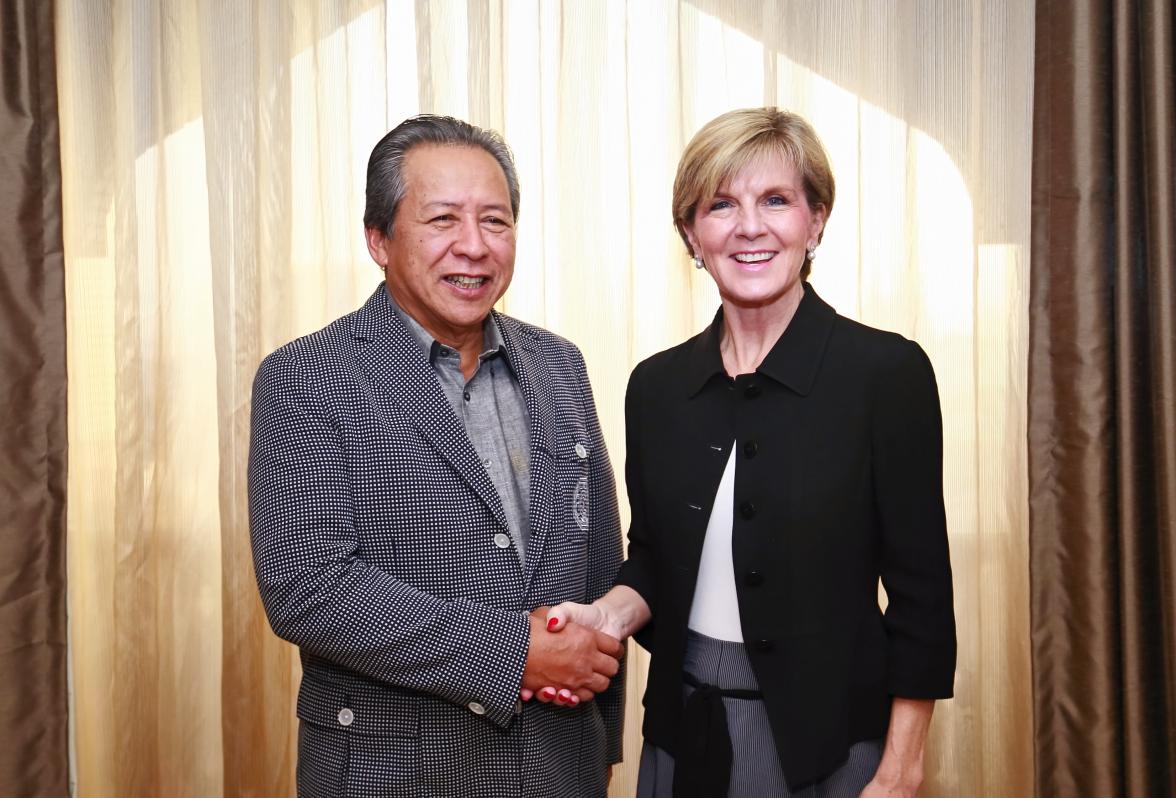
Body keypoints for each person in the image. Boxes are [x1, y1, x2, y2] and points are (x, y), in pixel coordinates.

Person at [541, 108, 957, 797]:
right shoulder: (657, 386)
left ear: (816, 221)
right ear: (691, 235)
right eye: (721, 205)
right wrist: (606, 615)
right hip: (683, 733)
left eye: (776, 200)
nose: (750, 227)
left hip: (831, 748)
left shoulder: (886, 373)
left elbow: (922, 595)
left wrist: (903, 766)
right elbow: (654, 558)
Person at [248, 114, 625, 798]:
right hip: (395, 773)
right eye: (443, 219)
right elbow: (308, 588)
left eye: (496, 221)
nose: (474, 247)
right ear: (378, 239)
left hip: (561, 765)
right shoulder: (308, 376)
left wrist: (604, 741)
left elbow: (598, 566)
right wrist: (515, 654)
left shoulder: (561, 365)